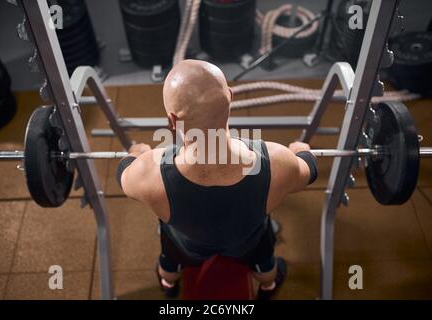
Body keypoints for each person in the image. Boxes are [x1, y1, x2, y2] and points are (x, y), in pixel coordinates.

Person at [117, 60, 317, 300]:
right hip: (248, 242)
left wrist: (135, 154)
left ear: (172, 119)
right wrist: (301, 151)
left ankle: (168, 284)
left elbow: (123, 175)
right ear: (230, 97)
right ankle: (268, 285)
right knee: (265, 261)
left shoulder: (147, 172)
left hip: (185, 246)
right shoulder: (278, 163)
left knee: (169, 261)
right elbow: (309, 172)